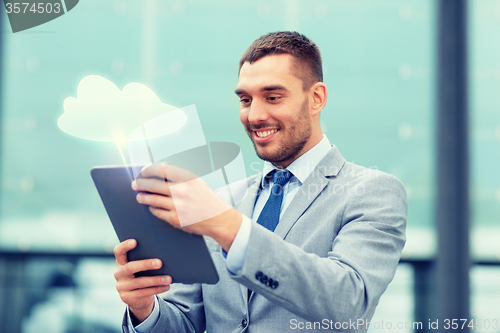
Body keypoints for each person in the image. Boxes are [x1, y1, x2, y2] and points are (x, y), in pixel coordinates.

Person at [113, 31, 407, 333]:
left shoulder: (372, 192)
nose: (254, 115)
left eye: (273, 97)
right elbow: (186, 323)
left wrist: (228, 227)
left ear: (316, 98)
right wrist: (144, 309)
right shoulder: (224, 199)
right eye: (245, 99)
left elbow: (348, 302)